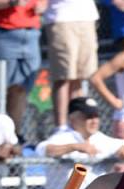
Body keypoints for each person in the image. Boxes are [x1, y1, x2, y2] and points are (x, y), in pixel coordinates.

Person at [0, 0, 45, 135]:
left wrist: (43, 5)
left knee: (21, 89)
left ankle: (13, 137)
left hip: (31, 33)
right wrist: (10, 2)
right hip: (1, 33)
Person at [43, 0, 101, 132]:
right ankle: (61, 128)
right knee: (63, 76)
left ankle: (78, 127)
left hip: (87, 17)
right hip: (61, 18)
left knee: (80, 77)